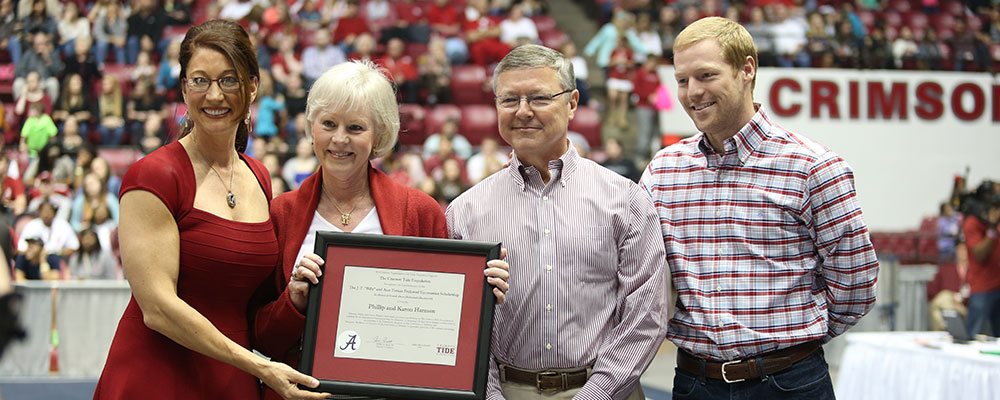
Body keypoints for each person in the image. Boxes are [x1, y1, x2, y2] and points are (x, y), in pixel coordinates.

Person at [640, 17, 879, 399]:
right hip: (695, 383)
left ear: (746, 69)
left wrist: (793, 343)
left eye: (706, 75)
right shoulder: (663, 171)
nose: (692, 92)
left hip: (790, 383)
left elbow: (856, 285)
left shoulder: (813, 167)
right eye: (682, 80)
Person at [94, 20, 331, 400]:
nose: (215, 95)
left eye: (229, 80)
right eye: (200, 81)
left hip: (232, 378)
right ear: (184, 88)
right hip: (157, 379)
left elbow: (254, 300)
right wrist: (259, 366)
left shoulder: (259, 176)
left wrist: (297, 296)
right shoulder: (154, 174)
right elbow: (158, 308)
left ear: (252, 87)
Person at [249, 60, 511, 400]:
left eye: (356, 127)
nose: (339, 139)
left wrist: (479, 293)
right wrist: (294, 301)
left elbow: (444, 326)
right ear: (311, 127)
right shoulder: (280, 213)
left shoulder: (420, 211)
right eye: (328, 124)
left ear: (379, 136)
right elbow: (260, 337)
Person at [446, 44, 667, 399]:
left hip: (608, 390)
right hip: (507, 391)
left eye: (539, 98)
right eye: (509, 99)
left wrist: (595, 395)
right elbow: (459, 322)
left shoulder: (625, 200)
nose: (523, 111)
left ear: (573, 103)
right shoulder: (465, 212)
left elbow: (646, 315)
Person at [961, 180, 1000, 336]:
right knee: (974, 336)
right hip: (983, 287)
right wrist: (992, 229)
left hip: (998, 283)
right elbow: (980, 254)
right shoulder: (972, 222)